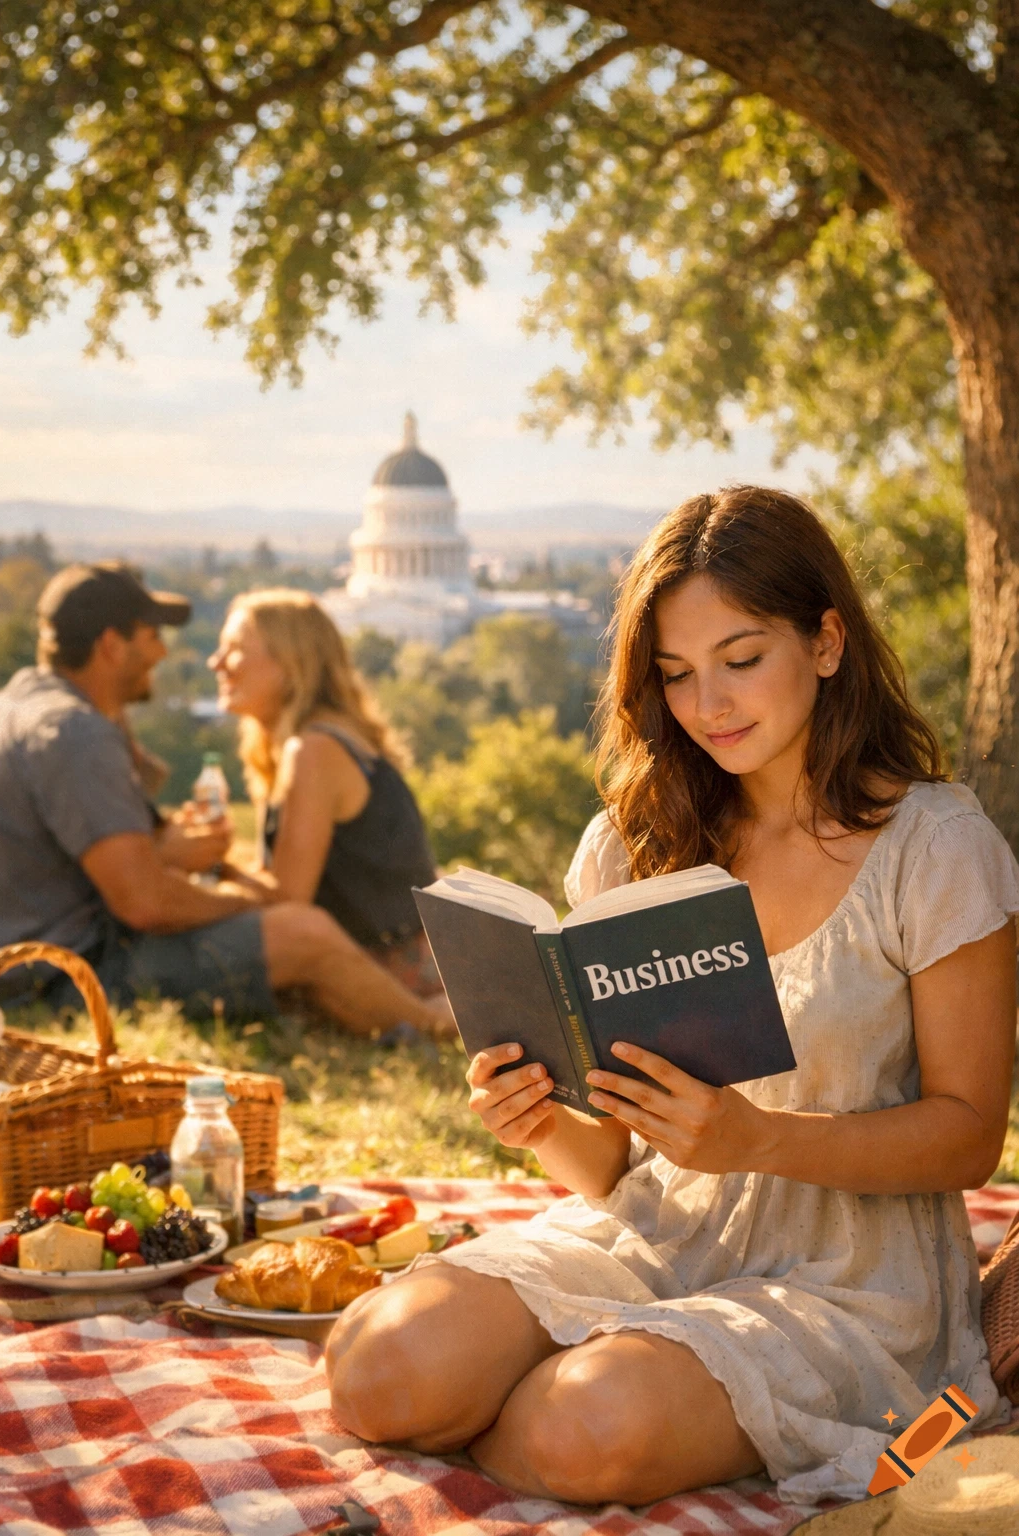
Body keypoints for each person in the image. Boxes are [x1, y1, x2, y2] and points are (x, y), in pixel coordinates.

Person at [326, 486, 1019, 1507]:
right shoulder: (632, 847)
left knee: (584, 1423)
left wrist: (758, 1141)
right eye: (677, 675)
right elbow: (608, 1160)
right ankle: (528, 1406)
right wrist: (537, 1121)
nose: (711, 705)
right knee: (383, 1368)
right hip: (655, 1232)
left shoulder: (934, 848)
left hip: (852, 1278)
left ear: (826, 641)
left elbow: (968, 1139)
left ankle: (543, 1421)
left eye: (742, 659)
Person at [0, 560, 450, 1038]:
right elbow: (146, 902)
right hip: (65, 974)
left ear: (289, 664)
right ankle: (434, 1028)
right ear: (111, 645)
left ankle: (417, 1019)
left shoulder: (21, 709)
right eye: (152, 635)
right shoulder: (75, 731)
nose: (166, 653)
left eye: (232, 650)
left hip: (38, 964)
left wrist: (184, 860)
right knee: (301, 930)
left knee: (293, 930)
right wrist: (227, 893)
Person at [207, 588, 448, 1014]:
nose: (216, 662)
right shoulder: (311, 742)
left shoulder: (314, 751)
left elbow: (288, 901)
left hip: (386, 974)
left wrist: (206, 864)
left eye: (235, 650)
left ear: (289, 664)